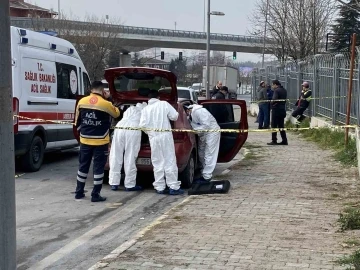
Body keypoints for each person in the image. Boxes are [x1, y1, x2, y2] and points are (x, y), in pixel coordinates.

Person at [74, 81, 120, 202]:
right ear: (102, 90)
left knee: (83, 166)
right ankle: (95, 195)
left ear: (90, 89)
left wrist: (82, 135)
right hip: (100, 141)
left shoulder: (82, 102)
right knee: (98, 169)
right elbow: (117, 114)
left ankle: (79, 192)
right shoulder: (105, 104)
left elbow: (77, 122)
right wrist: (109, 99)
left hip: (84, 140)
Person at [139, 90, 184, 195]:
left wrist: (150, 133)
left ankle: (160, 187)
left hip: (153, 138)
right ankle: (173, 187)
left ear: (148, 99)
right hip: (165, 136)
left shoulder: (145, 109)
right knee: (169, 160)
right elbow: (175, 116)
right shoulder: (164, 104)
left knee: (157, 162)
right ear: (158, 97)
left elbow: (142, 125)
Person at [109, 102, 147, 192]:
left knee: (115, 154)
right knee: (130, 156)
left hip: (120, 127)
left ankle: (114, 182)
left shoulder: (129, 108)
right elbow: (145, 124)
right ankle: (129, 184)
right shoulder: (144, 110)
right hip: (133, 128)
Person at [184, 104, 221, 183]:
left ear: (188, 110)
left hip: (212, 132)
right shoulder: (190, 115)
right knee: (201, 153)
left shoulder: (200, 111)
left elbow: (206, 125)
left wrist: (194, 130)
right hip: (203, 133)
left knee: (209, 154)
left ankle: (207, 176)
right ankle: (203, 172)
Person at [268, 80, 288, 146]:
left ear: (275, 84)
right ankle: (284, 140)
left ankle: (274, 140)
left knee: (273, 125)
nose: (272, 86)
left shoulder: (276, 91)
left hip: (276, 110)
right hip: (282, 109)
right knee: (281, 126)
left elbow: (274, 99)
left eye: (273, 85)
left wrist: (271, 102)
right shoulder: (284, 90)